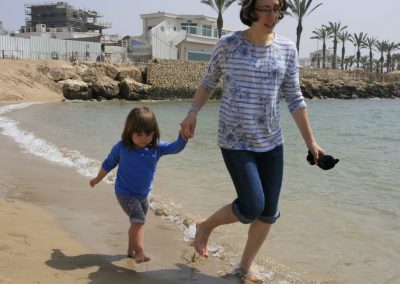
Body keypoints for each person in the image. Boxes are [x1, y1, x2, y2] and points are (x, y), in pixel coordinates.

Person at [180, 0, 325, 279]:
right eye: (266, 9)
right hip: (235, 140)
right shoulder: (228, 44)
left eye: (277, 9)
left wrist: (312, 143)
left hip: (271, 141)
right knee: (252, 205)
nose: (274, 15)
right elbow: (209, 82)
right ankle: (206, 226)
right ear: (250, 10)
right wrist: (192, 113)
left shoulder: (287, 49)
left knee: (268, 212)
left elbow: (295, 98)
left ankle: (244, 266)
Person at [90, 107, 187, 263]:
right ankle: (140, 251)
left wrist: (183, 137)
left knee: (136, 222)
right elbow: (108, 164)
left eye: (148, 134)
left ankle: (131, 250)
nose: (144, 138)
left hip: (144, 195)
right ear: (129, 132)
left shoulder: (156, 148)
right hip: (124, 193)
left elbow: (175, 148)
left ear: (154, 132)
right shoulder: (122, 147)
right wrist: (97, 178)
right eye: (139, 134)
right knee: (139, 220)